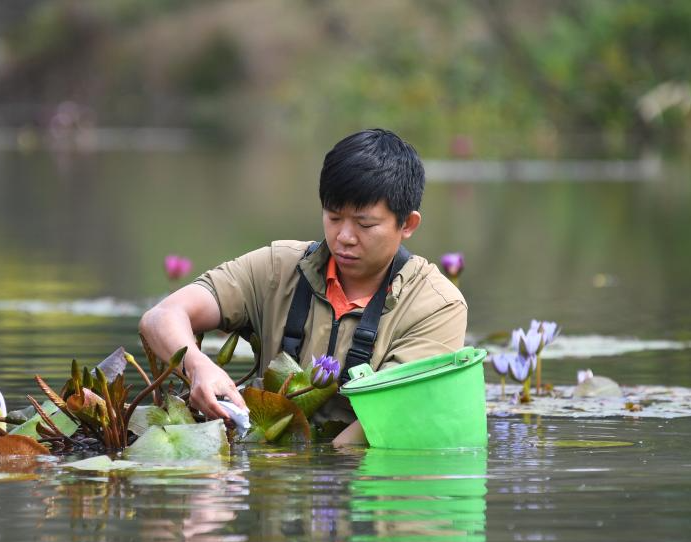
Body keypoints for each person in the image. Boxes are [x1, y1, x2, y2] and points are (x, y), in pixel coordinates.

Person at [139, 128, 467, 446]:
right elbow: (161, 317)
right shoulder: (277, 267)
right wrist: (198, 367)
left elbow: (367, 434)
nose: (344, 237)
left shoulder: (438, 305)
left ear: (407, 224)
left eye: (365, 224)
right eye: (334, 217)